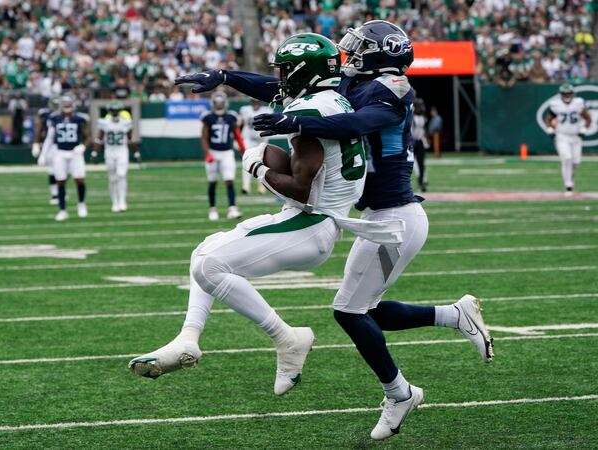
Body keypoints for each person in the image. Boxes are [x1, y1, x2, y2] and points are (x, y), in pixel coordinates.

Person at [174, 21, 493, 441]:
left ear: (386, 52)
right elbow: (287, 86)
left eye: (361, 46)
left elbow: (358, 123)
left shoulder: (393, 88)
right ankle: (455, 316)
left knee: (350, 311)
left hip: (395, 218)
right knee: (366, 310)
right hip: (375, 217)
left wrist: (298, 123)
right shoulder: (350, 84)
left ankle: (400, 392)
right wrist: (227, 77)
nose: (350, 52)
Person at [129, 33, 368, 398]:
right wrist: (225, 78)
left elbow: (300, 187)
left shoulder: (309, 112)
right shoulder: (330, 100)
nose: (282, 78)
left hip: (312, 221)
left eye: (287, 70)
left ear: (306, 71)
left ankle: (287, 338)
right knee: (205, 250)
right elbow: (272, 93)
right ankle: (187, 339)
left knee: (211, 267)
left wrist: (257, 169)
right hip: (317, 216)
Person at [42, 95, 90, 221]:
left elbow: (87, 136)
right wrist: (43, 153)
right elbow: (50, 137)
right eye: (64, 103)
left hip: (75, 153)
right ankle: (62, 210)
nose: (66, 105)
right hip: (60, 152)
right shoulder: (55, 118)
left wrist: (83, 146)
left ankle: (81, 204)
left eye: (68, 103)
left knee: (79, 179)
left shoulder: (80, 118)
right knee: (60, 181)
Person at [201, 91, 245, 220]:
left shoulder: (231, 116)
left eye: (221, 102)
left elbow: (237, 133)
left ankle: (232, 208)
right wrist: (207, 153)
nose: (219, 105)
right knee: (212, 182)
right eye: (217, 102)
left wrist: (242, 148)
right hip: (213, 152)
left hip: (227, 152)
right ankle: (212, 208)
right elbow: (204, 137)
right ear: (213, 103)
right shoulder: (208, 117)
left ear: (225, 103)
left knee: (229, 180)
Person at [544, 83, 592, 195]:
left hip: (575, 136)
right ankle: (568, 185)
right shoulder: (556, 105)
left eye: (568, 93)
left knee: (576, 162)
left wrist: (584, 128)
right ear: (560, 94)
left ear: (572, 93)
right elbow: (548, 119)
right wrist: (550, 129)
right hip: (562, 136)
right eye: (564, 93)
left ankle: (570, 179)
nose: (566, 95)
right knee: (567, 158)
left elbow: (588, 118)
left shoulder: (578, 103)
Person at [92, 101, 140, 212]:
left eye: (116, 110)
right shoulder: (105, 123)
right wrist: (94, 152)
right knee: (112, 178)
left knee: (121, 175)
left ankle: (122, 201)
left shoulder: (126, 123)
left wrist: (136, 152)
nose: (115, 112)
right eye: (113, 110)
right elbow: (99, 138)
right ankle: (114, 202)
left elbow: (130, 139)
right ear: (110, 111)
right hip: (109, 151)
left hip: (122, 151)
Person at [238, 99, 273, 194]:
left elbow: (270, 124)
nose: (255, 104)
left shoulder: (267, 110)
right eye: (254, 102)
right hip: (248, 139)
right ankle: (246, 186)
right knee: (246, 161)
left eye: (257, 102)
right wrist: (238, 139)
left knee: (262, 162)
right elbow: (241, 124)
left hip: (261, 139)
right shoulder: (245, 110)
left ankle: (261, 186)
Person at [32, 97, 59, 205]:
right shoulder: (45, 114)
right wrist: (36, 144)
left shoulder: (67, 115)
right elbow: (40, 129)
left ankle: (60, 191)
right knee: (52, 170)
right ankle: (55, 194)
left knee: (65, 171)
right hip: (51, 145)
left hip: (64, 145)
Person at [411, 98, 429, 192]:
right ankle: (406, 183)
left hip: (420, 141)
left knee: (421, 164)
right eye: (419, 106)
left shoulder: (422, 117)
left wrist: (425, 140)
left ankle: (421, 182)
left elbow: (423, 129)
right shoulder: (411, 116)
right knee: (410, 163)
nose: (420, 108)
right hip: (412, 141)